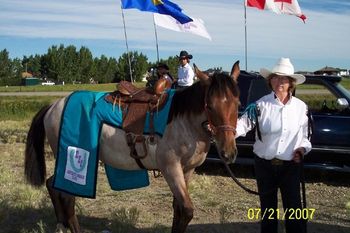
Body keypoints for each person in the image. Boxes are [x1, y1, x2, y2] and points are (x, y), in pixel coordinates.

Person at [236, 58, 312, 233]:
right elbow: (242, 126)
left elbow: (305, 137)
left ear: (291, 83)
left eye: (284, 78)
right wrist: (223, 132)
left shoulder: (301, 108)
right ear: (270, 81)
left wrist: (302, 149)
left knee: (294, 211)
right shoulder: (260, 105)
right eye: (276, 77)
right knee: (268, 212)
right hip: (265, 166)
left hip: (290, 167)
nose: (280, 82)